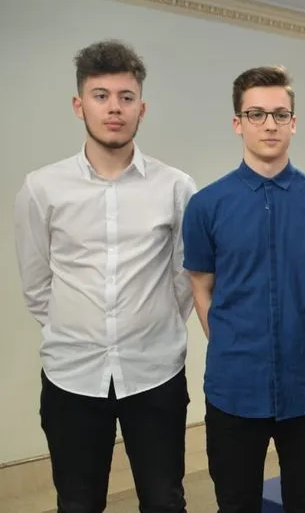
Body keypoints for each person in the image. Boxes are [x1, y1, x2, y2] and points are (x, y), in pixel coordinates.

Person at [13, 39, 195, 513]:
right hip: (72, 376)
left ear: (141, 108)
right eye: (101, 95)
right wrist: (76, 329)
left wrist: (151, 327)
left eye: (125, 97)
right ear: (80, 105)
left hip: (154, 373)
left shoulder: (175, 187)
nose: (114, 108)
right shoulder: (41, 187)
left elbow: (183, 278)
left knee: (164, 500)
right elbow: (36, 285)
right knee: (77, 503)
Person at [182, 65, 305, 513]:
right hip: (234, 388)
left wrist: (300, 336)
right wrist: (235, 342)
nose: (269, 124)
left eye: (279, 114)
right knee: (235, 503)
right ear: (238, 123)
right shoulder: (206, 206)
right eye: (256, 114)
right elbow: (202, 290)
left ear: (294, 122)